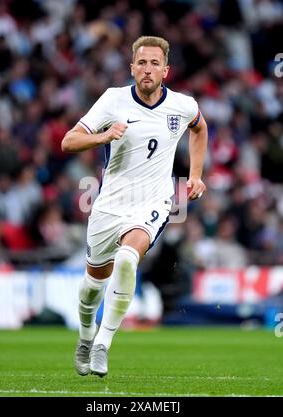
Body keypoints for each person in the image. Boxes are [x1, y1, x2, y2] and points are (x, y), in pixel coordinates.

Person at [61, 36, 208, 377]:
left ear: (165, 70)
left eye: (154, 63)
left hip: (153, 202)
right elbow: (69, 141)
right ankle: (84, 338)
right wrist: (103, 136)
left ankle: (102, 345)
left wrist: (195, 175)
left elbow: (199, 128)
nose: (147, 69)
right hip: (110, 203)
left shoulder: (182, 106)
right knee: (93, 283)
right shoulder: (114, 100)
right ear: (132, 67)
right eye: (141, 63)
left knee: (128, 259)